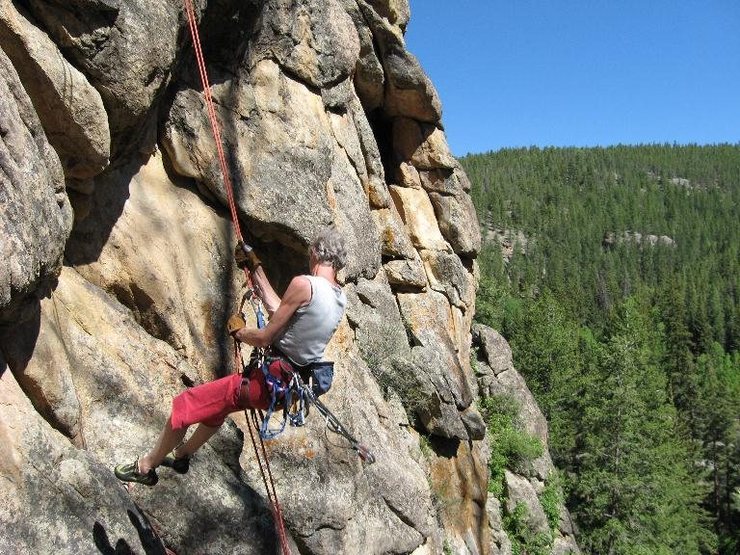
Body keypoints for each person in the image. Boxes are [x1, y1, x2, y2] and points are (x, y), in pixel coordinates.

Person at [114, 227, 348, 486]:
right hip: (282, 390)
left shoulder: (304, 284)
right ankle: (181, 454)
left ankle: (145, 467)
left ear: (314, 252)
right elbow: (281, 311)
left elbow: (264, 338)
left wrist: (240, 332)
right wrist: (256, 271)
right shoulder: (339, 298)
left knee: (185, 405)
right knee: (220, 406)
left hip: (264, 381)